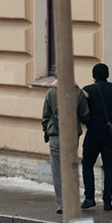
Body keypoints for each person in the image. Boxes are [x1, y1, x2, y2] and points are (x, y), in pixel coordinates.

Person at [82, 62, 112, 212]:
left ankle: (89, 197)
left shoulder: (88, 91)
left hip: (93, 134)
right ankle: (107, 201)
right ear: (108, 75)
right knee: (109, 166)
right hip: (110, 136)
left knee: (87, 164)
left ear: (93, 76)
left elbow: (83, 112)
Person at [40, 81, 87, 215]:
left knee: (57, 170)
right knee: (70, 168)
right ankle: (72, 201)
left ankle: (61, 204)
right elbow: (85, 114)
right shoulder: (77, 92)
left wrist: (46, 131)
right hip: (72, 135)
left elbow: (45, 116)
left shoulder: (51, 92)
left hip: (55, 134)